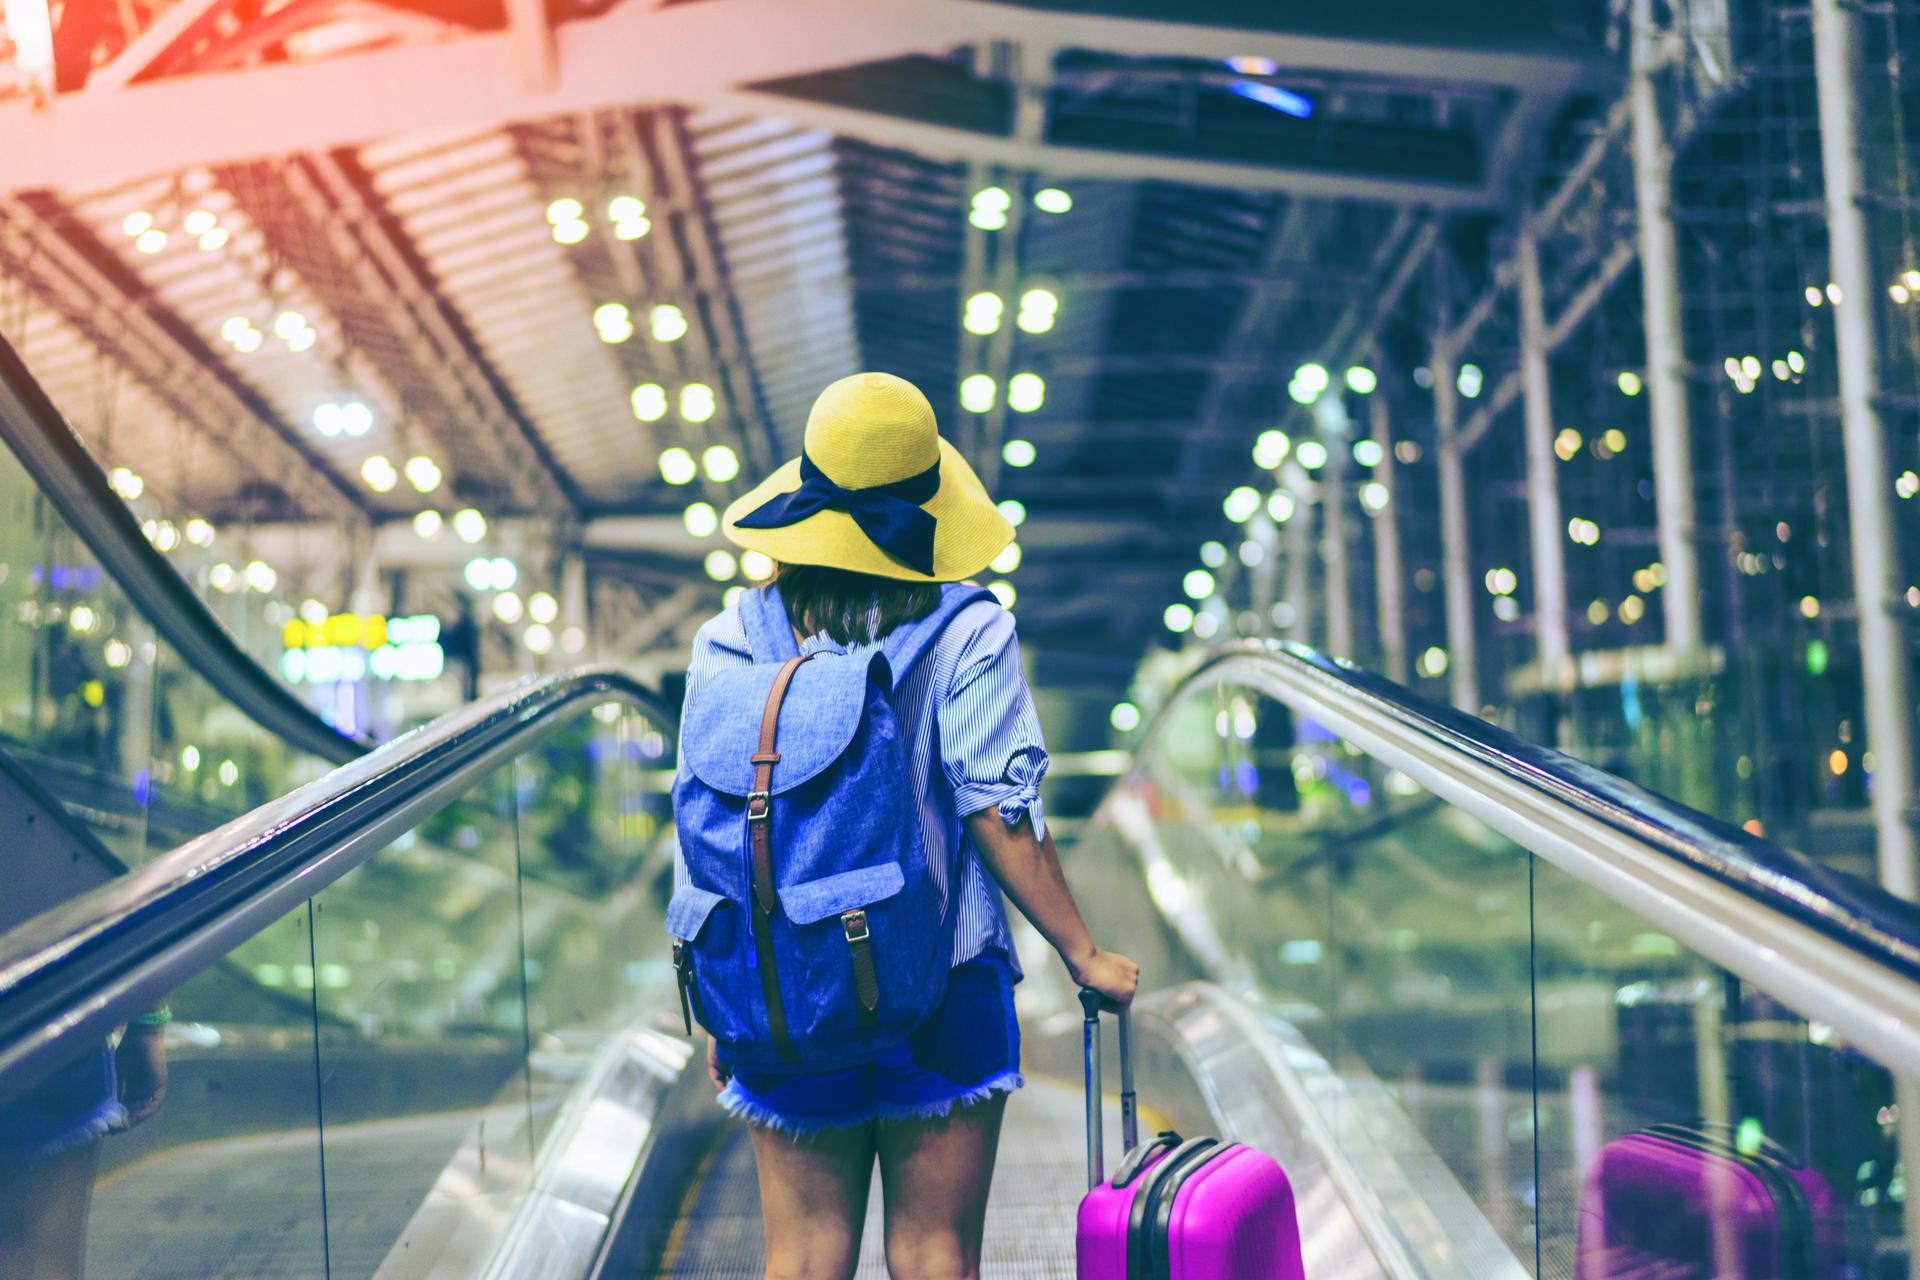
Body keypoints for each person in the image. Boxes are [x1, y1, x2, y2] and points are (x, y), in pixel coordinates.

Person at [680, 372, 1139, 1280]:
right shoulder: (969, 629)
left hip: (789, 985)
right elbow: (999, 811)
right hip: (946, 985)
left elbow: (712, 825)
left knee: (801, 1259)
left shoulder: (727, 638)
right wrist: (1083, 953)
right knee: (934, 1253)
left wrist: (725, 992)